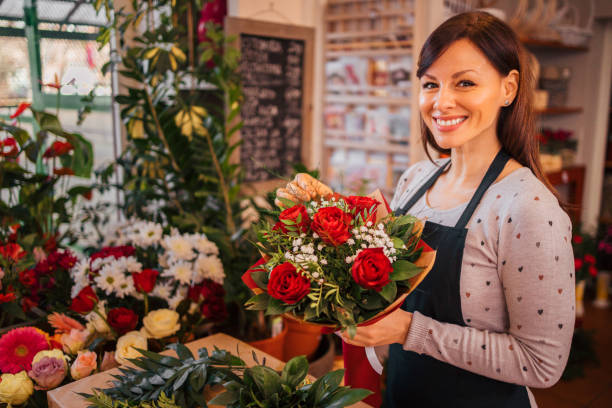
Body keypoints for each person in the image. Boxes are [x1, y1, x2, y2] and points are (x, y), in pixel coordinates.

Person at [277, 11, 574, 408]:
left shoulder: (528, 208)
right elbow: (389, 287)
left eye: (465, 82)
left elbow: (542, 365)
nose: (441, 101)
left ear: (509, 88)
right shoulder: (415, 180)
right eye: (430, 84)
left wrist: (409, 331)